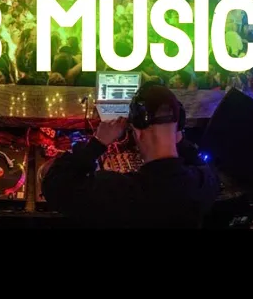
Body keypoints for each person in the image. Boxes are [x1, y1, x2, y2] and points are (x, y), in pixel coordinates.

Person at [41, 84, 219, 228]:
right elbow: (202, 163)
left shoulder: (114, 191)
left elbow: (55, 185)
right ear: (178, 129)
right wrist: (180, 141)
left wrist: (98, 143)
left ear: (137, 133)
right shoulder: (204, 183)